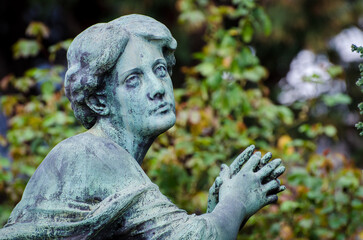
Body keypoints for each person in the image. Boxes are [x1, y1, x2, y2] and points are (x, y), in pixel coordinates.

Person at [0, 14, 285, 239]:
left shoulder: (112, 159)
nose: (157, 88)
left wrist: (217, 210)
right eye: (133, 80)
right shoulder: (91, 154)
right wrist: (235, 200)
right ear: (100, 101)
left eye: (160, 70)